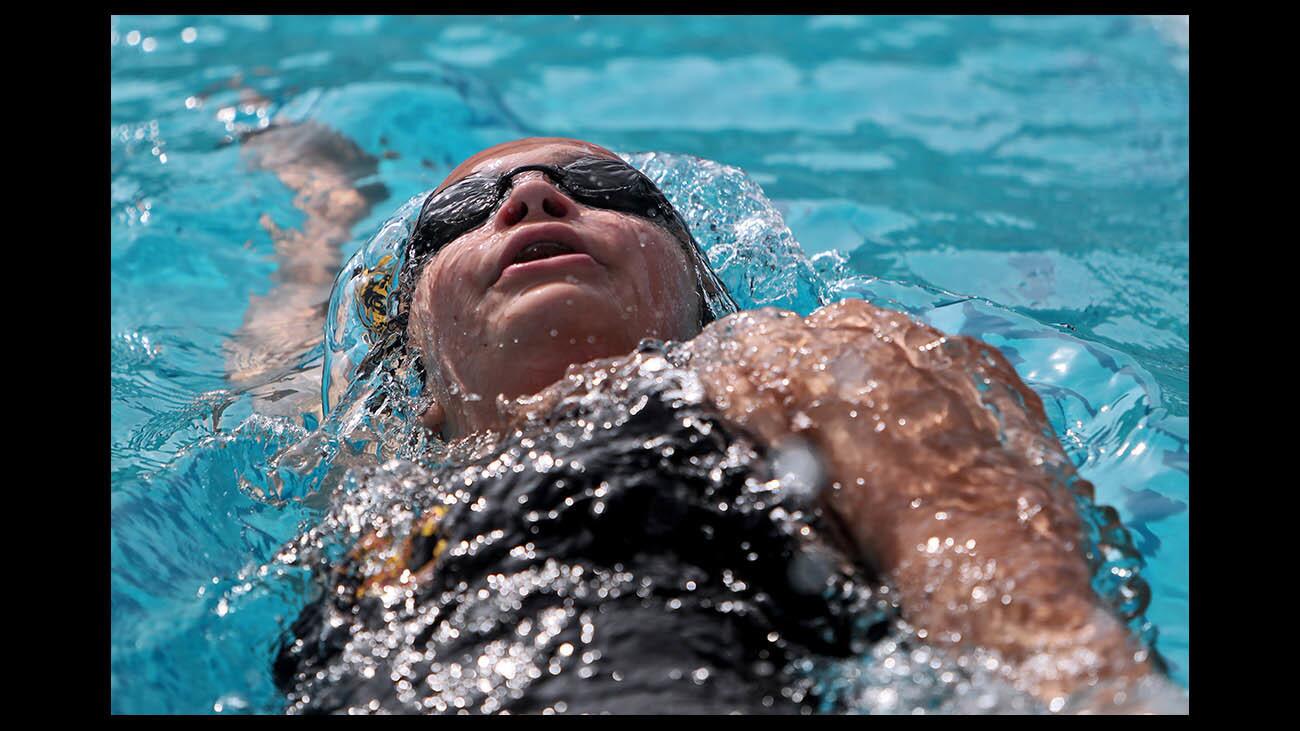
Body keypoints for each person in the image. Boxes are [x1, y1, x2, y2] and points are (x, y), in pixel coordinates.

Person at [235, 128, 1182, 714]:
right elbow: (275, 370)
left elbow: (1013, 600)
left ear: (701, 293)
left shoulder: (780, 362)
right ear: (415, 360)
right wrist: (327, 215)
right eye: (463, 211)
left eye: (604, 191)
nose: (531, 197)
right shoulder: (368, 485)